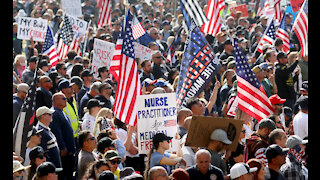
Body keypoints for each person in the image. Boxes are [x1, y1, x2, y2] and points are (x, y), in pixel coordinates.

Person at [50, 92, 76, 180]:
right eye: (63, 99)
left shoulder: (61, 112)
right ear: (56, 100)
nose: (66, 101)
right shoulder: (54, 113)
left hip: (69, 150)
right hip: (64, 152)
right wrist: (62, 147)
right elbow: (57, 132)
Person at [58, 79, 80, 147]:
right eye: (69, 87)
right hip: (68, 138)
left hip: (76, 135)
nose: (72, 88)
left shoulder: (72, 99)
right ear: (64, 90)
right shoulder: (60, 102)